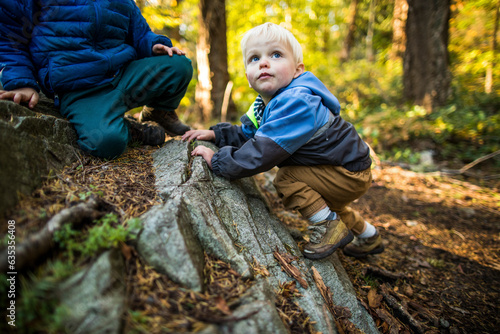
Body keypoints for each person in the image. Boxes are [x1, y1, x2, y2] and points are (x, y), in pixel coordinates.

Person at [182, 22, 384, 259]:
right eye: (254, 58)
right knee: (333, 208)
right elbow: (250, 135)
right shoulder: (264, 105)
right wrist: (217, 134)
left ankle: (329, 227)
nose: (264, 63)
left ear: (298, 70)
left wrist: (218, 161)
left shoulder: (296, 102)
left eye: (276, 55)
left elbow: (262, 151)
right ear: (248, 76)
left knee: (287, 179)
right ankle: (369, 236)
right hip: (340, 169)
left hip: (346, 172)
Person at [0, 0, 193, 160]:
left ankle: (158, 113)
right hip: (79, 88)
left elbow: (139, 33)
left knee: (179, 66)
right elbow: (9, 36)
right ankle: (132, 129)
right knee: (108, 143)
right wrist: (21, 82)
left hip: (122, 75)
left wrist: (153, 45)